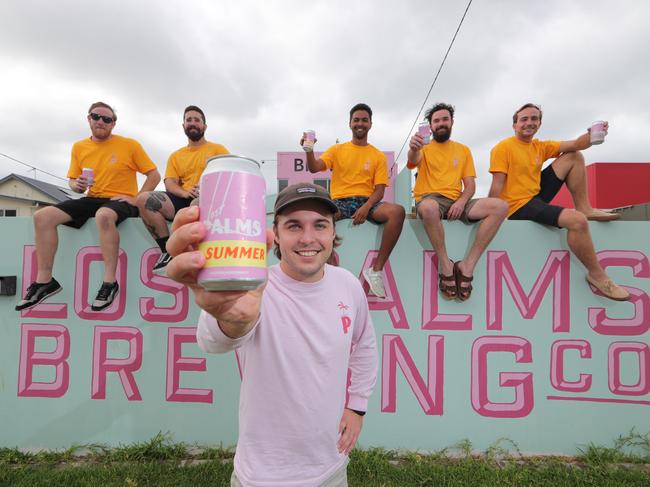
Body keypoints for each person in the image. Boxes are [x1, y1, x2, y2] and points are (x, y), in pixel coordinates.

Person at [166, 182, 378, 486]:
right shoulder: (253, 284)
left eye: (320, 225)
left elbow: (365, 346)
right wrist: (232, 322)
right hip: (261, 476)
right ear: (275, 233)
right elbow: (213, 340)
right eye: (294, 226)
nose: (308, 238)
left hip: (331, 468)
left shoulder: (348, 284)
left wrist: (357, 406)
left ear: (333, 232)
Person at [16, 101, 160, 312]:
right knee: (42, 216)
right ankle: (45, 281)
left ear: (113, 124)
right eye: (96, 116)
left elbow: (154, 175)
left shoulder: (130, 145)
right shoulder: (79, 147)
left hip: (120, 200)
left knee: (103, 215)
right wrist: (77, 184)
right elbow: (74, 183)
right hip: (92, 197)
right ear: (89, 119)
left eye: (107, 119)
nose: (101, 121)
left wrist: (137, 198)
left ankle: (110, 283)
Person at [488, 103, 629, 301]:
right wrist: (492, 215)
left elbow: (575, 144)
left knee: (574, 156)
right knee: (577, 221)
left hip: (535, 196)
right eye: (524, 119)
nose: (529, 122)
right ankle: (597, 275)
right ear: (514, 125)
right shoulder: (503, 148)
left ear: (539, 123)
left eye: (534, 118)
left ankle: (584, 207)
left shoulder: (539, 146)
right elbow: (497, 184)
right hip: (516, 206)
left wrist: (590, 136)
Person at [302, 103, 406, 298]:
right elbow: (314, 167)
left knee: (397, 212)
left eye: (364, 120)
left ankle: (375, 271)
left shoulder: (377, 155)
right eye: (356, 120)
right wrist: (309, 150)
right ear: (350, 124)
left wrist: (366, 207)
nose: (360, 123)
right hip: (340, 201)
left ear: (370, 124)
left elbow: (380, 190)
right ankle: (326, 271)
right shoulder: (337, 150)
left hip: (368, 201)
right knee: (318, 218)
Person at [407, 103, 508, 301]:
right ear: (430, 125)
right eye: (436, 121)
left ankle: (467, 265)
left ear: (452, 122)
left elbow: (469, 185)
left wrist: (461, 202)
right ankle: (446, 264)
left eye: (445, 119)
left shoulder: (463, 150)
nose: (441, 123)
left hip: (457, 200)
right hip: (431, 199)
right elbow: (412, 160)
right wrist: (413, 148)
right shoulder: (423, 147)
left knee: (501, 206)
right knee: (427, 207)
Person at [135, 105, 229, 275]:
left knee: (196, 204)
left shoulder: (218, 150)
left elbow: (229, 176)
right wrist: (184, 193)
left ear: (204, 126)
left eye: (197, 120)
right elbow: (170, 183)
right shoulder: (176, 155)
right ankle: (168, 251)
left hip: (207, 200)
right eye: (189, 120)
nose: (193, 123)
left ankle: (203, 253)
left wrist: (207, 188)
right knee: (143, 199)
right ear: (183, 125)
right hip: (182, 197)